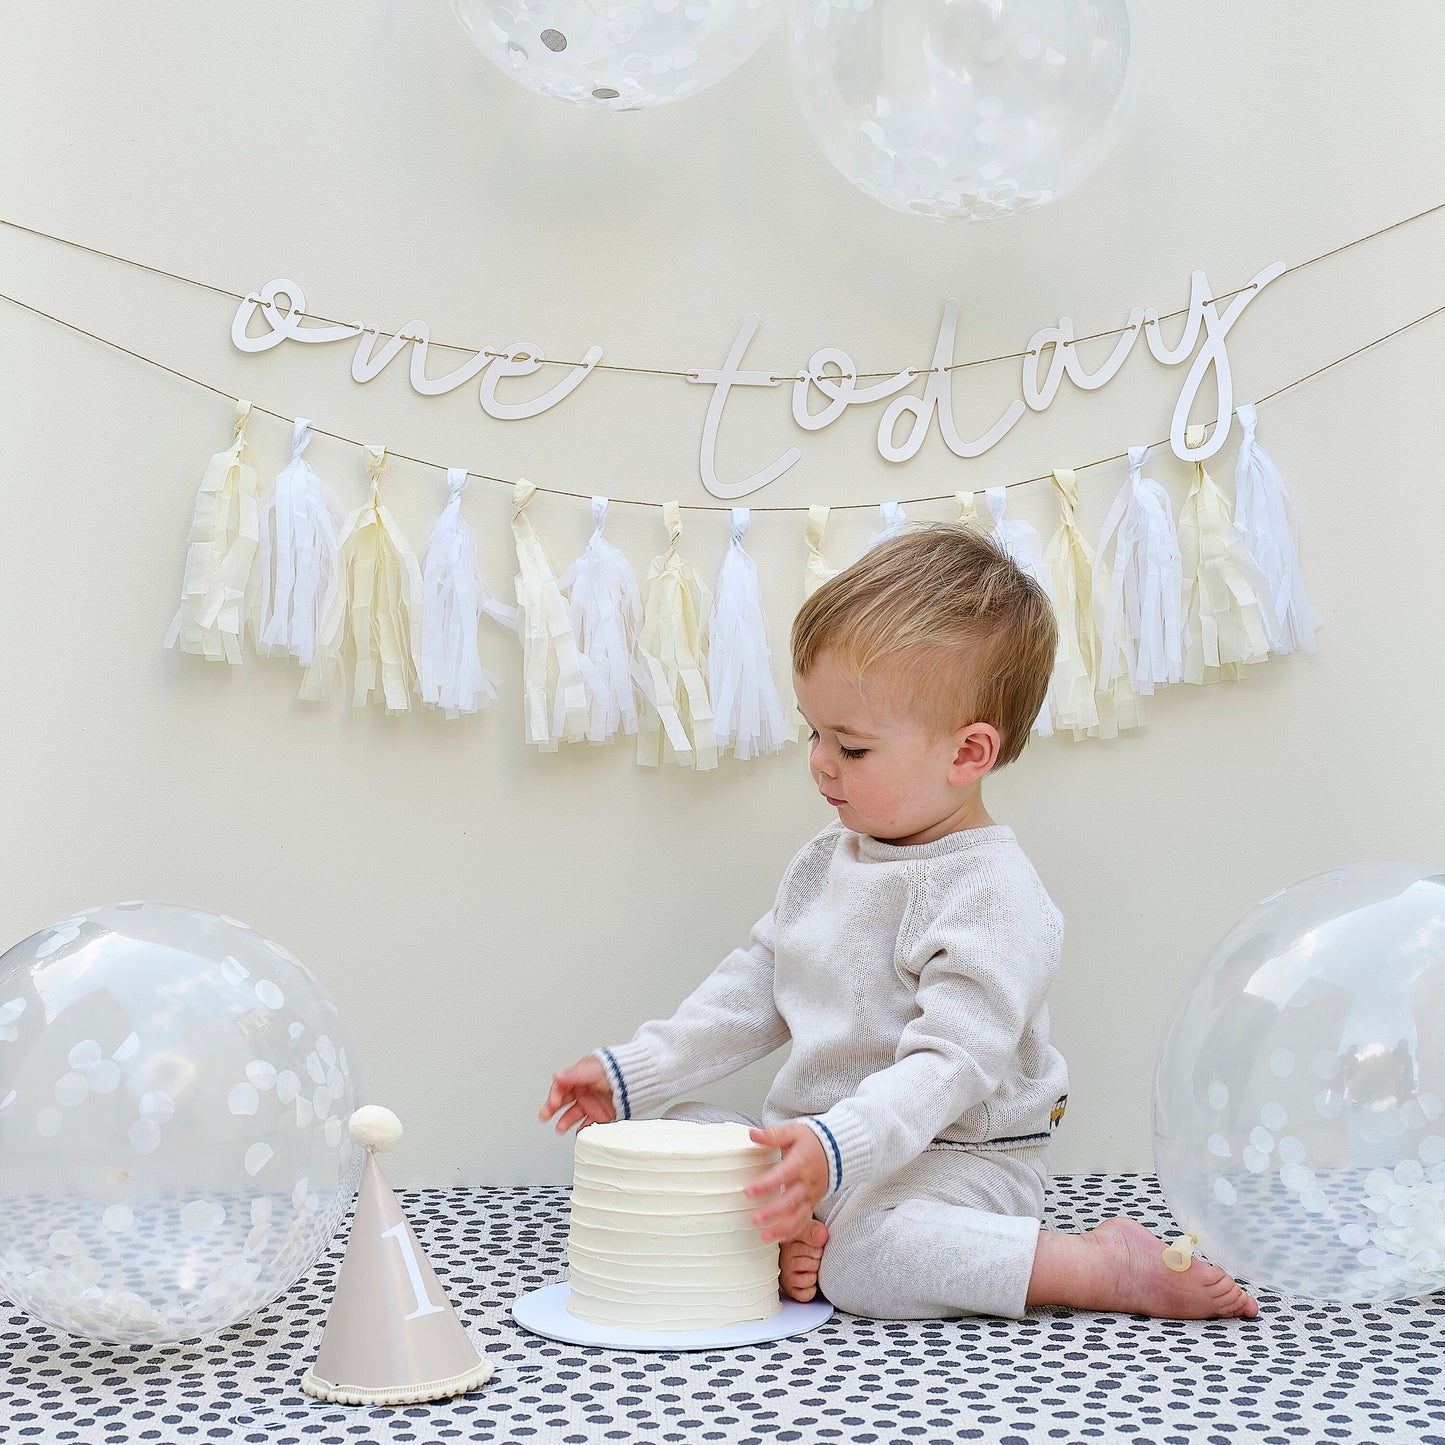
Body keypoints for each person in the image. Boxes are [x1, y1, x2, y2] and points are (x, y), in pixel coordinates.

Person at [540, 524, 1257, 1322]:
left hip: (954, 1159)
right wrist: (635, 1070)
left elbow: (946, 1068)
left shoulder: (995, 896)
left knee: (866, 1263)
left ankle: (1091, 1265)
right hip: (832, 1147)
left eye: (850, 745)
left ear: (967, 752)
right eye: (815, 732)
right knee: (687, 1138)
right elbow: (752, 986)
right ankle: (800, 1230)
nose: (818, 761)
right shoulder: (828, 857)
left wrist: (836, 1151)